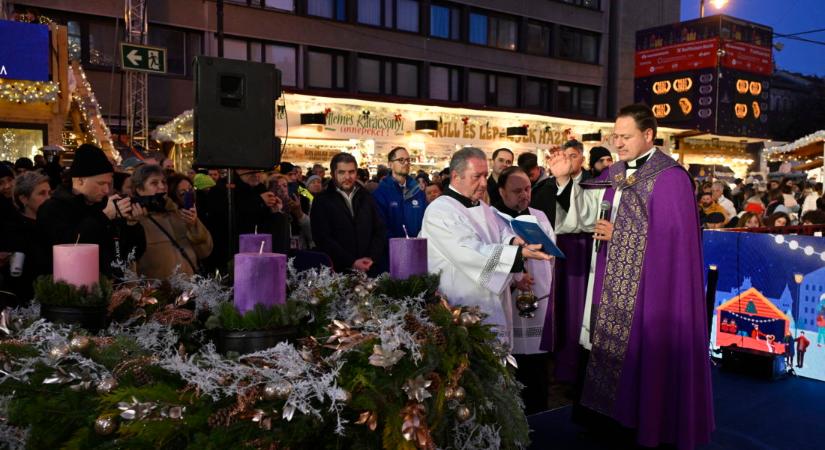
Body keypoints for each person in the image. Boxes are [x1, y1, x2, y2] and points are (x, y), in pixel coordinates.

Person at [550, 104, 713, 449]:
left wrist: (620, 233)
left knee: (643, 357)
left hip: (649, 290)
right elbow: (582, 217)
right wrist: (565, 180)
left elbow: (673, 242)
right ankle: (608, 421)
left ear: (648, 135)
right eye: (615, 136)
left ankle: (646, 422)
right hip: (608, 283)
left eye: (625, 137)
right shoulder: (616, 173)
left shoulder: (670, 177)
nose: (618, 143)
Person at [420, 147, 551, 346]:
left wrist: (515, 241)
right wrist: (518, 254)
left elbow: (501, 232)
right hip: (463, 303)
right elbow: (470, 252)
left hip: (493, 300)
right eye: (477, 177)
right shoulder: (440, 211)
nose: (483, 183)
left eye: (485, 175)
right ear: (456, 176)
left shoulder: (482, 207)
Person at [491, 166, 555, 415]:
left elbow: (552, 255)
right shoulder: (494, 218)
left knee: (538, 366)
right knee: (511, 363)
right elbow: (489, 255)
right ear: (501, 191)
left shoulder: (539, 216)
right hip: (508, 298)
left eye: (527, 189)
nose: (524, 195)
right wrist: (515, 277)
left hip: (538, 296)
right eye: (517, 190)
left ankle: (539, 414)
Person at [37, 144, 146, 276]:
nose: (106, 190)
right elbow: (69, 249)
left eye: (109, 184)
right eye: (101, 184)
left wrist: (132, 226)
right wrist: (103, 217)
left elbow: (132, 254)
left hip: (112, 288)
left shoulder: (106, 205)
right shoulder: (52, 209)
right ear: (80, 180)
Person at [310, 153, 386, 277]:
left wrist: (371, 257)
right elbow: (322, 238)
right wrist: (351, 262)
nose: (347, 177)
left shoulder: (366, 197)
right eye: (342, 172)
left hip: (368, 271)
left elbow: (379, 230)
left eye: (351, 172)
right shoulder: (322, 200)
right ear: (333, 173)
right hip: (337, 273)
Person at [131, 165, 212, 279]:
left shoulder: (179, 213)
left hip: (189, 292)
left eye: (164, 182)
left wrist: (193, 226)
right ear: (139, 189)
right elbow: (130, 268)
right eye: (154, 183)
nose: (162, 186)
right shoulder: (134, 220)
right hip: (158, 294)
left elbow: (204, 252)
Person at [0, 172, 51, 305]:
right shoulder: (12, 229)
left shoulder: (52, 224)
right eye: (41, 193)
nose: (48, 198)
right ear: (24, 199)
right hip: (24, 301)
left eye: (49, 193)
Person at [373, 147, 427, 241]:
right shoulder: (380, 193)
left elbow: (425, 222)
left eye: (408, 160)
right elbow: (379, 228)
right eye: (401, 160)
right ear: (390, 164)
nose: (406, 163)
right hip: (391, 251)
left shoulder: (418, 191)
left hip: (417, 248)